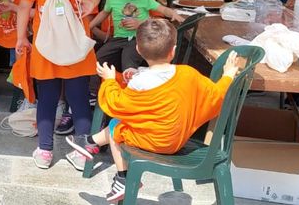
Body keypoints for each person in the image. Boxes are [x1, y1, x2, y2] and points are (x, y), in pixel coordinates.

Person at [89, 19, 238, 203]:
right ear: (173, 50)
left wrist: (110, 80)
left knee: (116, 127)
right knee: (120, 125)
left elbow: (116, 105)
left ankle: (122, 177)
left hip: (151, 142)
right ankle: (91, 142)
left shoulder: (139, 81)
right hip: (178, 141)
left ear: (138, 49)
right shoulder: (188, 74)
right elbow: (215, 95)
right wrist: (228, 75)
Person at [15, 0, 102, 171]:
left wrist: (21, 37)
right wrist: (93, 2)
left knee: (47, 99)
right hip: (75, 43)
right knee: (79, 98)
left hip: (46, 43)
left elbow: (24, 6)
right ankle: (82, 153)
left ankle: (45, 151)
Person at [89, 0, 184, 72]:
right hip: (118, 39)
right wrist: (90, 26)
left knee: (128, 61)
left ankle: (132, 82)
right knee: (97, 59)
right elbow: (104, 13)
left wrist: (173, 13)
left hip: (138, 39)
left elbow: (162, 9)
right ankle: (100, 83)